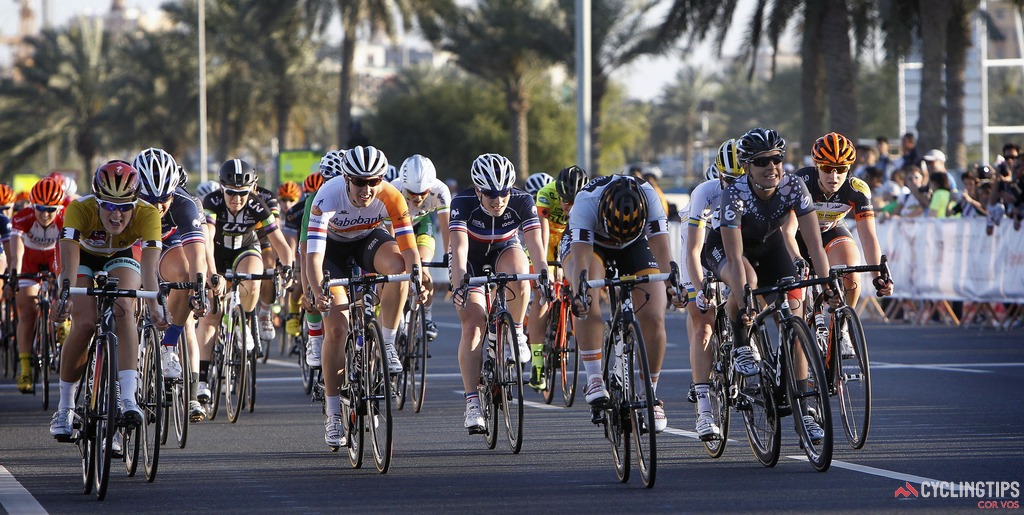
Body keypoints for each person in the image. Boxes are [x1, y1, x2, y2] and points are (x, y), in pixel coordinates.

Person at [700, 128, 831, 443]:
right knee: (745, 283)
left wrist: (827, 284)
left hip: (770, 248)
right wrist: (744, 298)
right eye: (762, 161)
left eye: (777, 159)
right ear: (748, 166)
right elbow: (734, 255)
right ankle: (743, 340)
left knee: (795, 318)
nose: (771, 166)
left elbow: (814, 244)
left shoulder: (793, 186)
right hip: (730, 248)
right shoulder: (735, 193)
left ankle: (805, 413)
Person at [305, 145, 429, 449]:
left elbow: (410, 248)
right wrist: (319, 290)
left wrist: (418, 277)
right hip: (331, 252)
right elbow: (313, 257)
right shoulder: (327, 196)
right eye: (360, 182)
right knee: (336, 328)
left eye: (374, 181)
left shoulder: (391, 195)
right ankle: (334, 412)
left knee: (400, 268)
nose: (367, 189)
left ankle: (386, 341)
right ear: (347, 178)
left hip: (368, 241)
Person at [49, 160, 167, 441]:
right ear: (97, 200)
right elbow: (68, 265)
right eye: (109, 205)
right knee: (86, 322)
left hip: (121, 254)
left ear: (135, 203)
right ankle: (65, 407)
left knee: (125, 307)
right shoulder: (79, 209)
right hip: (83, 255)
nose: (117, 215)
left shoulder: (148, 214)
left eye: (125, 206)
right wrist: (63, 295)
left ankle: (127, 398)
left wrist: (154, 305)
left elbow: (150, 269)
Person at [566, 173, 684, 434]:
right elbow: (581, 264)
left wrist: (673, 286)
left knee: (654, 315)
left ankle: (650, 395)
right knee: (587, 295)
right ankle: (595, 377)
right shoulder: (585, 204)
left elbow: (664, 252)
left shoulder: (650, 199)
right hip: (593, 244)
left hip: (636, 242)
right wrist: (580, 293)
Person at [449, 153, 547, 434]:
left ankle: (516, 330)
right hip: (471, 259)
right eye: (491, 194)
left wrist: (544, 276)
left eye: (504, 193)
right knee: (473, 325)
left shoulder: (522, 201)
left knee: (521, 270)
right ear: (478, 190)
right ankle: (472, 403)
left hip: (505, 251)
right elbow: (458, 250)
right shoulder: (462, 203)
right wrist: (459, 286)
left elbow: (536, 245)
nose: (498, 200)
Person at [195, 160, 292, 408]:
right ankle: (203, 382)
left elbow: (280, 242)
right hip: (215, 253)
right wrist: (212, 275)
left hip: (245, 249)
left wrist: (287, 266)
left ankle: (245, 321)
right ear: (222, 188)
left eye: (242, 194)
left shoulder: (256, 205)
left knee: (253, 276)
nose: (237, 199)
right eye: (231, 193)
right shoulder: (212, 202)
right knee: (210, 317)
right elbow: (206, 241)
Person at [133, 147, 210, 422]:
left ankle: (168, 346)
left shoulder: (184, 202)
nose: (158, 206)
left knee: (186, 274)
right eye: (149, 199)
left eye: (164, 198)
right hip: (133, 243)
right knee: (127, 294)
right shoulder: (125, 201)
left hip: (167, 244)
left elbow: (198, 253)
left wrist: (200, 286)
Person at [791, 132, 893, 339]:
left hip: (830, 232)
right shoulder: (801, 182)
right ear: (817, 166)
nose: (834, 177)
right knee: (796, 308)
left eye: (841, 170)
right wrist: (795, 258)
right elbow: (787, 230)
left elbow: (868, 237)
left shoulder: (857, 189)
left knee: (851, 275)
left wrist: (877, 277)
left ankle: (841, 328)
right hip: (797, 236)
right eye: (827, 169)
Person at [680, 138, 744, 440]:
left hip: (732, 245)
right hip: (701, 246)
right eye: (730, 180)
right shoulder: (705, 193)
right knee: (703, 321)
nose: (736, 185)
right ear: (718, 175)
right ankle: (704, 410)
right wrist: (698, 287)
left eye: (741, 179)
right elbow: (694, 250)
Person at [526, 164, 589, 390]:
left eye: (575, 203)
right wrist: (544, 267)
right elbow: (540, 233)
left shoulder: (589, 198)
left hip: (569, 242)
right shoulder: (546, 194)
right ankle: (536, 362)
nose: (570, 208)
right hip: (545, 243)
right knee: (542, 296)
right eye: (566, 202)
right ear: (559, 195)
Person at [9, 178, 65, 393]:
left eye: (50, 209)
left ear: (58, 207)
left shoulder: (65, 217)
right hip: (29, 260)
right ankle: (25, 369)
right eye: (40, 208)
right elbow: (17, 253)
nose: (45, 214)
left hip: (54, 257)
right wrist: (14, 272)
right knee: (27, 311)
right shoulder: (22, 217)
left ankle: (62, 323)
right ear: (33, 206)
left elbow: (67, 251)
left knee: (63, 290)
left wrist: (61, 279)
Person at [388, 154, 450, 341]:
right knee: (398, 268)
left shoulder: (441, 191)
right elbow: (389, 231)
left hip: (422, 224)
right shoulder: (394, 189)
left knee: (422, 270)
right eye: (412, 193)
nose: (418, 198)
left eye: (423, 193)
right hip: (399, 227)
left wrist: (449, 255)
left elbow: (447, 229)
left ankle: (428, 317)